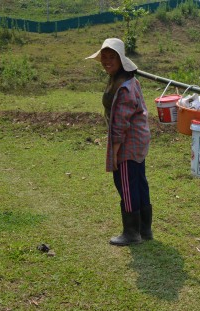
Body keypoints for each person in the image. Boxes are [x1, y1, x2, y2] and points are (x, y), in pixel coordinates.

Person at [86, 38, 153, 246]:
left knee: (125, 184)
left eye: (111, 57)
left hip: (128, 143)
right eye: (104, 57)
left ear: (121, 59)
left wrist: (114, 154)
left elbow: (120, 124)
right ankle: (145, 229)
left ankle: (132, 233)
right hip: (138, 141)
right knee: (138, 182)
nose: (106, 61)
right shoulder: (126, 80)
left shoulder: (124, 87)